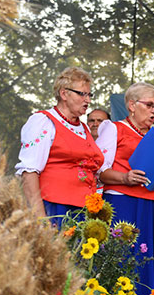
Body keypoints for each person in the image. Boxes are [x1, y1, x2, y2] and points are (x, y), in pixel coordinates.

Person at [96, 82, 154, 295]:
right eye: (150, 105)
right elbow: (99, 170)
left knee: (147, 262)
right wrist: (124, 178)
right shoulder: (114, 128)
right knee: (122, 260)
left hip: (151, 204)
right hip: (123, 203)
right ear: (132, 105)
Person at [16, 66, 105, 220]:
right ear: (64, 93)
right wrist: (41, 220)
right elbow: (29, 173)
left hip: (83, 210)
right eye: (82, 94)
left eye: (89, 95)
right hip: (55, 209)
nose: (88, 100)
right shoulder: (44, 121)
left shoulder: (83, 127)